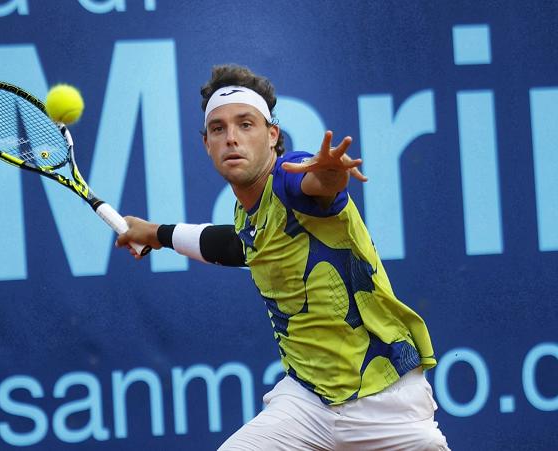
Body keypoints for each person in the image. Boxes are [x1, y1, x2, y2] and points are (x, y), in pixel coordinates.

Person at [116, 64, 449, 450]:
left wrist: (330, 176)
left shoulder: (292, 179)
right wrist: (155, 233)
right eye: (219, 129)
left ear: (273, 135)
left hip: (386, 403)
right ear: (206, 143)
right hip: (307, 403)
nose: (232, 139)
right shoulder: (249, 213)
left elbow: (316, 186)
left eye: (246, 124)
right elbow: (231, 245)